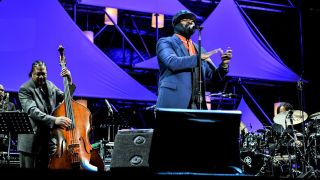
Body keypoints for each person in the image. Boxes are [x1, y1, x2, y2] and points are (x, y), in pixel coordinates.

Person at [155, 10, 232, 109]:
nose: (190, 22)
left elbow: (214, 77)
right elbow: (172, 62)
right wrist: (198, 58)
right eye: (185, 20)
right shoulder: (166, 42)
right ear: (176, 25)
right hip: (173, 101)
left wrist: (224, 64)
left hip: (197, 104)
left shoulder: (199, 49)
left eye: (192, 21)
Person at [18, 60, 73, 169]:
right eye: (38, 74)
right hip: (32, 143)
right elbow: (33, 111)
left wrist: (69, 80)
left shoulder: (50, 85)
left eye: (44, 74)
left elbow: (67, 98)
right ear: (32, 74)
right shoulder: (25, 89)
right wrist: (54, 120)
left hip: (49, 141)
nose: (41, 77)